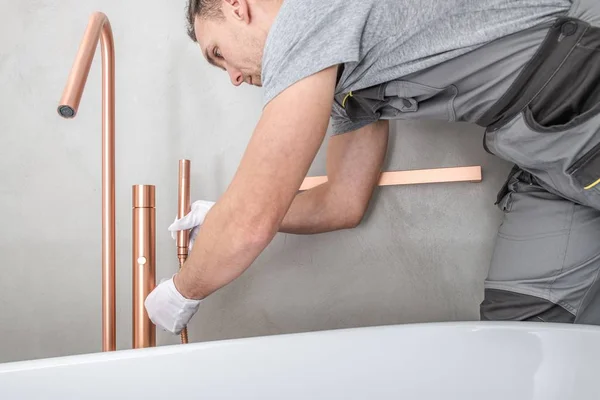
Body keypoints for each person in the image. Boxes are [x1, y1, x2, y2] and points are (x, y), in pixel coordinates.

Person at [145, 0, 600, 335]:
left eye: (218, 53)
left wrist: (182, 290)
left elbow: (249, 224)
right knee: (523, 339)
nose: (234, 77)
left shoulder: (307, 17)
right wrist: (220, 214)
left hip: (583, 92)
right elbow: (342, 201)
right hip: (545, 160)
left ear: (237, 6)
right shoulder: (342, 79)